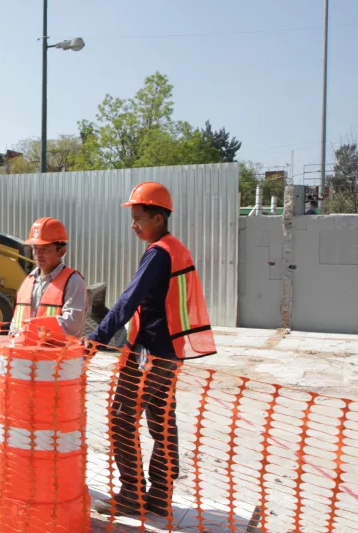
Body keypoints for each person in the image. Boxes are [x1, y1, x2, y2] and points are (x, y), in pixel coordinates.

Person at [86, 182, 216, 518]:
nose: (133, 224)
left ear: (158, 218)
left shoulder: (159, 253)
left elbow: (128, 300)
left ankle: (132, 494)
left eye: (138, 217)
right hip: (170, 352)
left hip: (151, 352)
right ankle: (160, 495)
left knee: (120, 417)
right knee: (162, 423)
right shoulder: (175, 248)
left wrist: (96, 339)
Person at [10, 217, 87, 338]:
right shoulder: (28, 281)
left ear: (61, 252)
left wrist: (34, 330)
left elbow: (72, 326)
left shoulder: (73, 282)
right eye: (35, 248)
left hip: (55, 355)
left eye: (45, 249)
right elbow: (15, 322)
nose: (38, 255)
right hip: (24, 354)